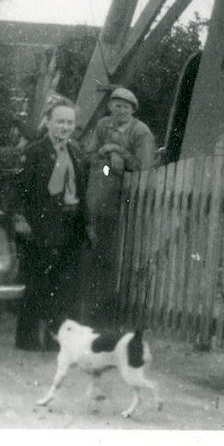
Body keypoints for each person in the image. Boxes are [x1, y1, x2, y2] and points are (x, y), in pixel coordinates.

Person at [12, 96, 89, 350]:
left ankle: (56, 339)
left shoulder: (77, 154)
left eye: (69, 122)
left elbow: (82, 191)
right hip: (41, 226)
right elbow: (17, 191)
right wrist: (20, 219)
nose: (64, 127)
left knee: (65, 287)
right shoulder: (34, 152)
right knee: (35, 282)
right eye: (60, 122)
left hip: (70, 224)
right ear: (48, 123)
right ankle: (27, 339)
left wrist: (86, 224)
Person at [81, 86, 156, 325]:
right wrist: (107, 160)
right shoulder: (104, 125)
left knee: (114, 256)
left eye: (125, 107)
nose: (120, 110)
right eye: (116, 105)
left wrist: (116, 150)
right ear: (110, 107)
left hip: (128, 196)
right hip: (102, 185)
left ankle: (107, 314)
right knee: (93, 253)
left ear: (133, 110)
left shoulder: (141, 132)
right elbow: (91, 155)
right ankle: (89, 311)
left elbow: (143, 167)